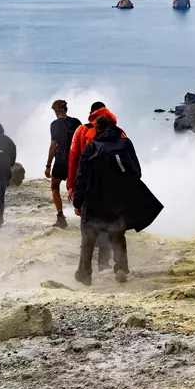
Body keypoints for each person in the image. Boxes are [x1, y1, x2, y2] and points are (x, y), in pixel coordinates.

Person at [72, 115, 163, 286]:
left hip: (95, 200)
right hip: (119, 199)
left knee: (89, 235)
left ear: (97, 129)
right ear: (113, 126)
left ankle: (84, 273)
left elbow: (82, 178)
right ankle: (121, 267)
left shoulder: (91, 148)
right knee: (117, 231)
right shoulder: (126, 144)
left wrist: (78, 202)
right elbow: (137, 170)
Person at [67, 101, 124, 270]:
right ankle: (104, 263)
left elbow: (73, 158)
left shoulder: (82, 130)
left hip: (89, 187)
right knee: (110, 225)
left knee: (89, 227)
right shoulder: (119, 133)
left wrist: (71, 185)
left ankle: (85, 270)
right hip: (113, 188)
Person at [45, 100, 82, 229]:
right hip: (75, 161)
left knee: (54, 187)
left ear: (56, 110)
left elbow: (53, 146)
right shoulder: (76, 122)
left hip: (61, 161)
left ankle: (61, 218)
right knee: (79, 189)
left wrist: (48, 166)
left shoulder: (55, 124)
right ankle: (86, 217)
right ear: (66, 109)